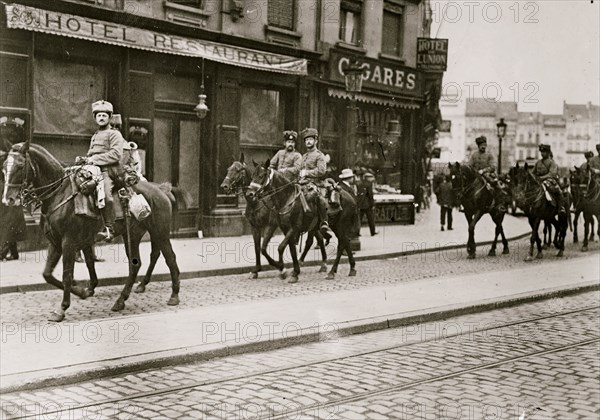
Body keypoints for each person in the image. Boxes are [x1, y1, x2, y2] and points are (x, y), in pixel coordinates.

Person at [76, 100, 124, 242]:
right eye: (99, 116)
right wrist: (84, 159)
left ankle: (109, 228)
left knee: (106, 196)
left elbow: (116, 154)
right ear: (95, 118)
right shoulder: (95, 135)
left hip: (108, 170)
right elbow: (92, 154)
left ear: (109, 118)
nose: (101, 118)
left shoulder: (114, 134)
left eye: (104, 115)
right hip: (92, 169)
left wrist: (93, 160)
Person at [298, 128, 333, 238]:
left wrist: (307, 172)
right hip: (303, 184)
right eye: (306, 140)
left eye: (310, 139)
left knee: (318, 198)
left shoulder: (319, 155)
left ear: (316, 141)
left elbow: (321, 171)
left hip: (316, 184)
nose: (308, 142)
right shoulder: (304, 156)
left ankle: (324, 222)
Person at [467, 135, 507, 213]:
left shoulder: (489, 155)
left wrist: (484, 170)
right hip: (475, 176)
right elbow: (470, 165)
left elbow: (493, 166)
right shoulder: (474, 155)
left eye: (484, 145)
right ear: (478, 146)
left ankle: (499, 205)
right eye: (481, 145)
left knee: (496, 186)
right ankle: (466, 205)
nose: (483, 147)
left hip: (487, 175)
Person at [0, 152, 27, 261]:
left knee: (8, 223)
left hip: (8, 195)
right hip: (7, 195)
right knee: (9, 223)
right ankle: (13, 252)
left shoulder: (7, 162)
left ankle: (3, 252)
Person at [533, 144, 566, 215]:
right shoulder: (538, 163)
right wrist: (534, 178)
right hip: (538, 181)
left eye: (544, 152)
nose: (542, 153)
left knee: (558, 191)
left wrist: (541, 178)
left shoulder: (552, 163)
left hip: (549, 181)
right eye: (541, 152)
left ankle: (561, 207)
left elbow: (551, 174)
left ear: (548, 153)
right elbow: (533, 172)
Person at [338, 168, 359, 239]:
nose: (353, 179)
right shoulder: (343, 187)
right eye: (352, 177)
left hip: (349, 213)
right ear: (348, 178)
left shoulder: (346, 186)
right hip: (346, 213)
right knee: (345, 233)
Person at [357, 172, 378, 236]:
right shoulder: (369, 184)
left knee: (359, 219)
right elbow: (370, 195)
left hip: (361, 204)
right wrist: (372, 204)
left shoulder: (359, 184)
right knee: (370, 219)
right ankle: (372, 232)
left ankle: (357, 232)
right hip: (367, 204)